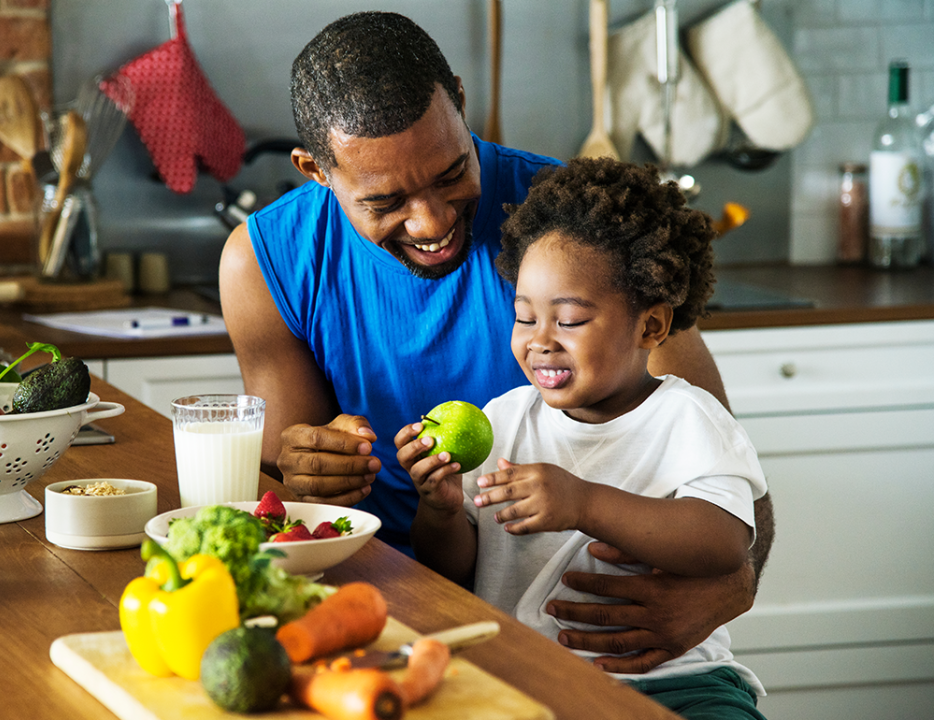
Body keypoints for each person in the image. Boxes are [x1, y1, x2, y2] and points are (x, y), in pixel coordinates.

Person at [218, 10, 775, 674]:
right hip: (369, 606)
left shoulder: (570, 230)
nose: (432, 221)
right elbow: (289, 501)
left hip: (587, 636)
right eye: (385, 201)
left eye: (452, 173)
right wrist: (305, 469)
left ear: (459, 98)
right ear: (317, 170)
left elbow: (728, 470)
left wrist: (731, 588)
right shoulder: (265, 262)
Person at [395, 157, 768, 719]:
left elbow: (724, 543)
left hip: (677, 682)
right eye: (525, 317)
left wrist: (585, 502)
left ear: (651, 326)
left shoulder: (689, 419)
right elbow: (456, 572)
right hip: (526, 678)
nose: (540, 342)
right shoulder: (504, 420)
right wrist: (442, 511)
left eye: (567, 320)